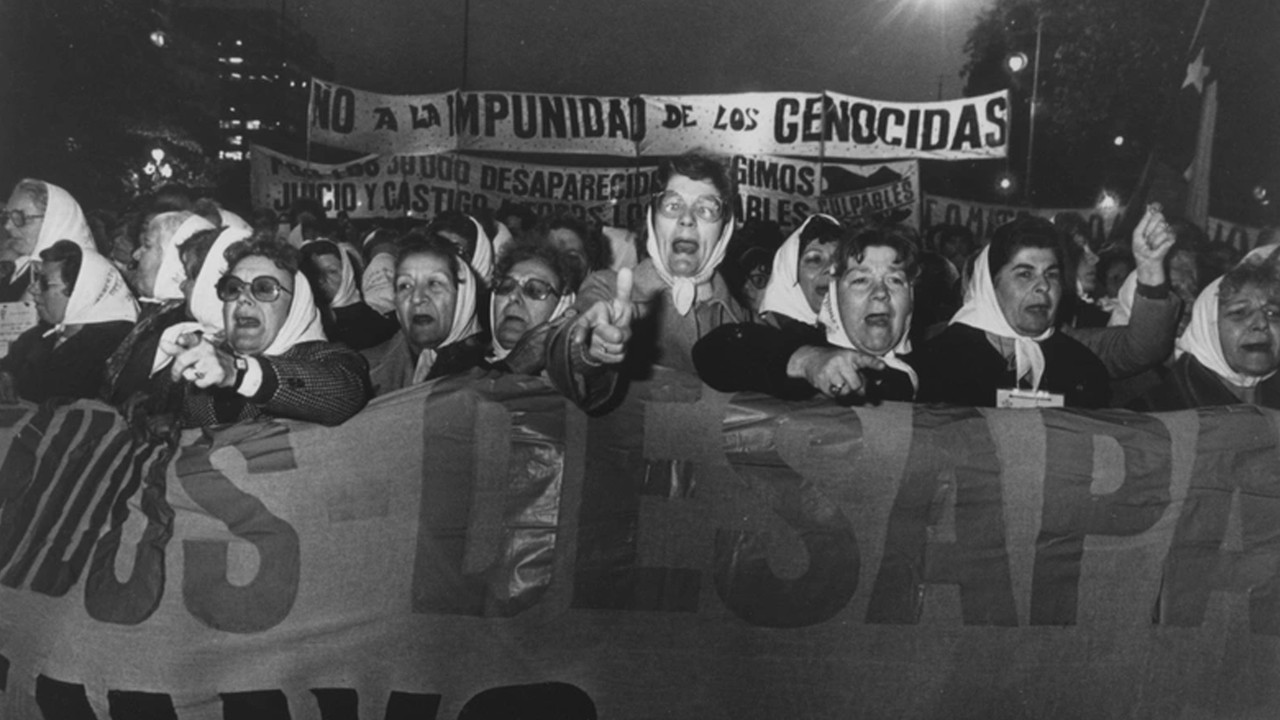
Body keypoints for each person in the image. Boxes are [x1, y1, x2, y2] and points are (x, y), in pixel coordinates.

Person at [549, 151, 746, 377]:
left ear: (725, 228)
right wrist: (590, 347)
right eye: (673, 205)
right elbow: (563, 342)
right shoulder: (607, 288)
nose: (687, 218)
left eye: (706, 210)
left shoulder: (740, 318)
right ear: (653, 219)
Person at [694, 224, 918, 404]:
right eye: (861, 280)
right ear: (835, 296)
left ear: (911, 298)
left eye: (895, 280)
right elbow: (715, 351)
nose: (880, 293)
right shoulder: (808, 353)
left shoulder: (931, 368)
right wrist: (808, 361)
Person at [163, 238, 371, 426]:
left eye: (264, 289)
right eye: (233, 288)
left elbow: (345, 393)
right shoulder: (206, 360)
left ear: (296, 305)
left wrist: (240, 373)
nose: (243, 298)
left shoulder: (329, 359)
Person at [913, 216, 1110, 408]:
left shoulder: (1083, 367)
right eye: (1025, 274)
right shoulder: (937, 364)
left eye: (1051, 274)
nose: (1043, 286)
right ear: (991, 285)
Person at [1132, 247, 1280, 410]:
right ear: (1208, 329)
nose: (1261, 323)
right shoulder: (1157, 410)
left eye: (1273, 313)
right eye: (1239, 312)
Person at [100, 212, 216, 406]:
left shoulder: (185, 326)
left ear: (174, 260)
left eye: (147, 245)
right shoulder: (158, 312)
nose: (136, 255)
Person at [1, 241, 137, 403]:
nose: (33, 289)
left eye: (45, 283)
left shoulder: (114, 347)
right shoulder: (42, 334)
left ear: (82, 292)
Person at [362, 235, 488, 396]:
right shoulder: (365, 369)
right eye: (405, 285)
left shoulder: (490, 380)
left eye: (434, 283)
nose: (417, 298)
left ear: (464, 298)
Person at [1, 179, 96, 301]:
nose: (7, 226)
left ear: (53, 221)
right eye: (7, 217)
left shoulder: (79, 280)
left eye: (19, 217)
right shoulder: (23, 267)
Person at [300, 240, 398, 350]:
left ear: (347, 274)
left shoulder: (370, 323)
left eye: (332, 271)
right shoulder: (302, 321)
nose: (321, 280)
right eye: (314, 273)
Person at [758, 214, 842, 329]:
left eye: (838, 260)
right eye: (815, 260)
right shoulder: (764, 338)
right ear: (790, 270)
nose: (831, 269)